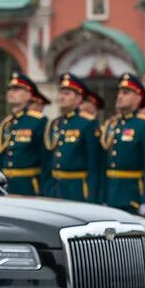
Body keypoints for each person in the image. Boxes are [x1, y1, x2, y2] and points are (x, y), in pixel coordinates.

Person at [99, 74, 145, 216]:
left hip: (132, 194)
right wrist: (101, 195)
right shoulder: (112, 125)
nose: (119, 96)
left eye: (125, 93)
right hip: (111, 193)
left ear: (138, 99)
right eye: (119, 92)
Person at [43, 74, 101, 202]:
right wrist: (47, 188)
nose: (62, 97)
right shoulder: (55, 124)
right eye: (61, 93)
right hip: (55, 189)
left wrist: (93, 196)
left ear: (79, 98)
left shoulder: (87, 123)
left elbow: (94, 164)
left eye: (67, 94)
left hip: (77, 189)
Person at [0, 72, 49, 196]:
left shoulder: (38, 121)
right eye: (10, 89)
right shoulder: (5, 123)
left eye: (16, 90)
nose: (11, 92)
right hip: (6, 185)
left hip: (29, 185)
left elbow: (45, 160)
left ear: (28, 95)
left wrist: (45, 190)